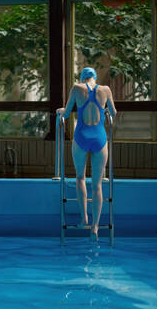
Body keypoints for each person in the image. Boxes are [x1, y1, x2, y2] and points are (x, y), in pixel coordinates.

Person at [56, 67, 117, 241]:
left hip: (81, 137)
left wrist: (60, 112)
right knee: (97, 185)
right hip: (99, 138)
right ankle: (96, 228)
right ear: (95, 78)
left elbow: (66, 114)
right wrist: (104, 111)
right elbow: (113, 113)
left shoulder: (77, 88)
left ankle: (84, 219)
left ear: (83, 78)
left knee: (80, 178)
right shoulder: (105, 90)